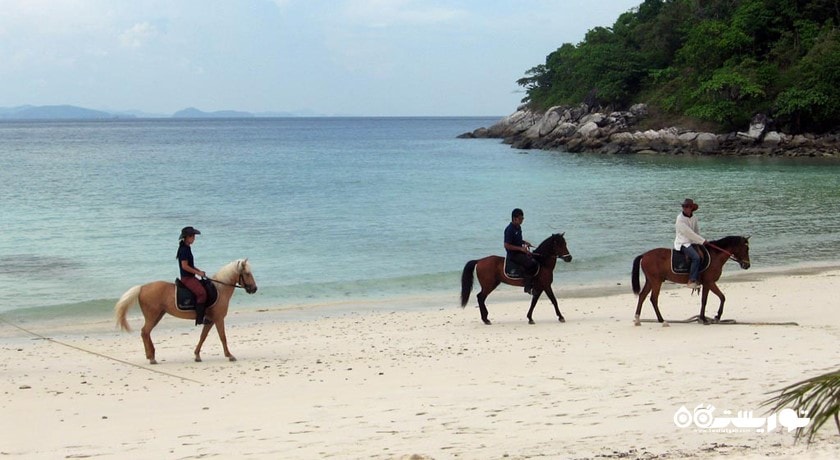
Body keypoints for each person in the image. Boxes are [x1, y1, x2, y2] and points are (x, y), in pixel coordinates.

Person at [177, 226, 208, 325]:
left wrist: (199, 271)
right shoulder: (184, 250)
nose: (194, 238)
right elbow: (185, 266)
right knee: (202, 294)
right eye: (193, 236)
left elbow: (190, 265)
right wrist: (198, 273)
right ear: (187, 237)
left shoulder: (187, 248)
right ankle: (199, 319)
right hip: (187, 278)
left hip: (191, 276)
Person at [674, 199, 707, 289]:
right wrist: (702, 240)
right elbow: (688, 233)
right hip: (683, 242)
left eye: (688, 206)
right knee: (696, 257)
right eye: (684, 206)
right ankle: (691, 280)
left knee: (704, 254)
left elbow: (696, 231)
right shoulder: (680, 219)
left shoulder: (694, 218)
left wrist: (701, 242)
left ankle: (700, 277)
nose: (686, 208)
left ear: (692, 208)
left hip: (693, 241)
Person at [504, 208, 538, 294]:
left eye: (522, 218)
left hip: (519, 252)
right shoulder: (509, 229)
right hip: (513, 255)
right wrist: (520, 248)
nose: (522, 220)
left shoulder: (518, 227)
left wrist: (524, 242)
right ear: (514, 218)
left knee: (535, 258)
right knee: (530, 264)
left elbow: (517, 241)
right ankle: (528, 287)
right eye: (520, 219)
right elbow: (507, 245)